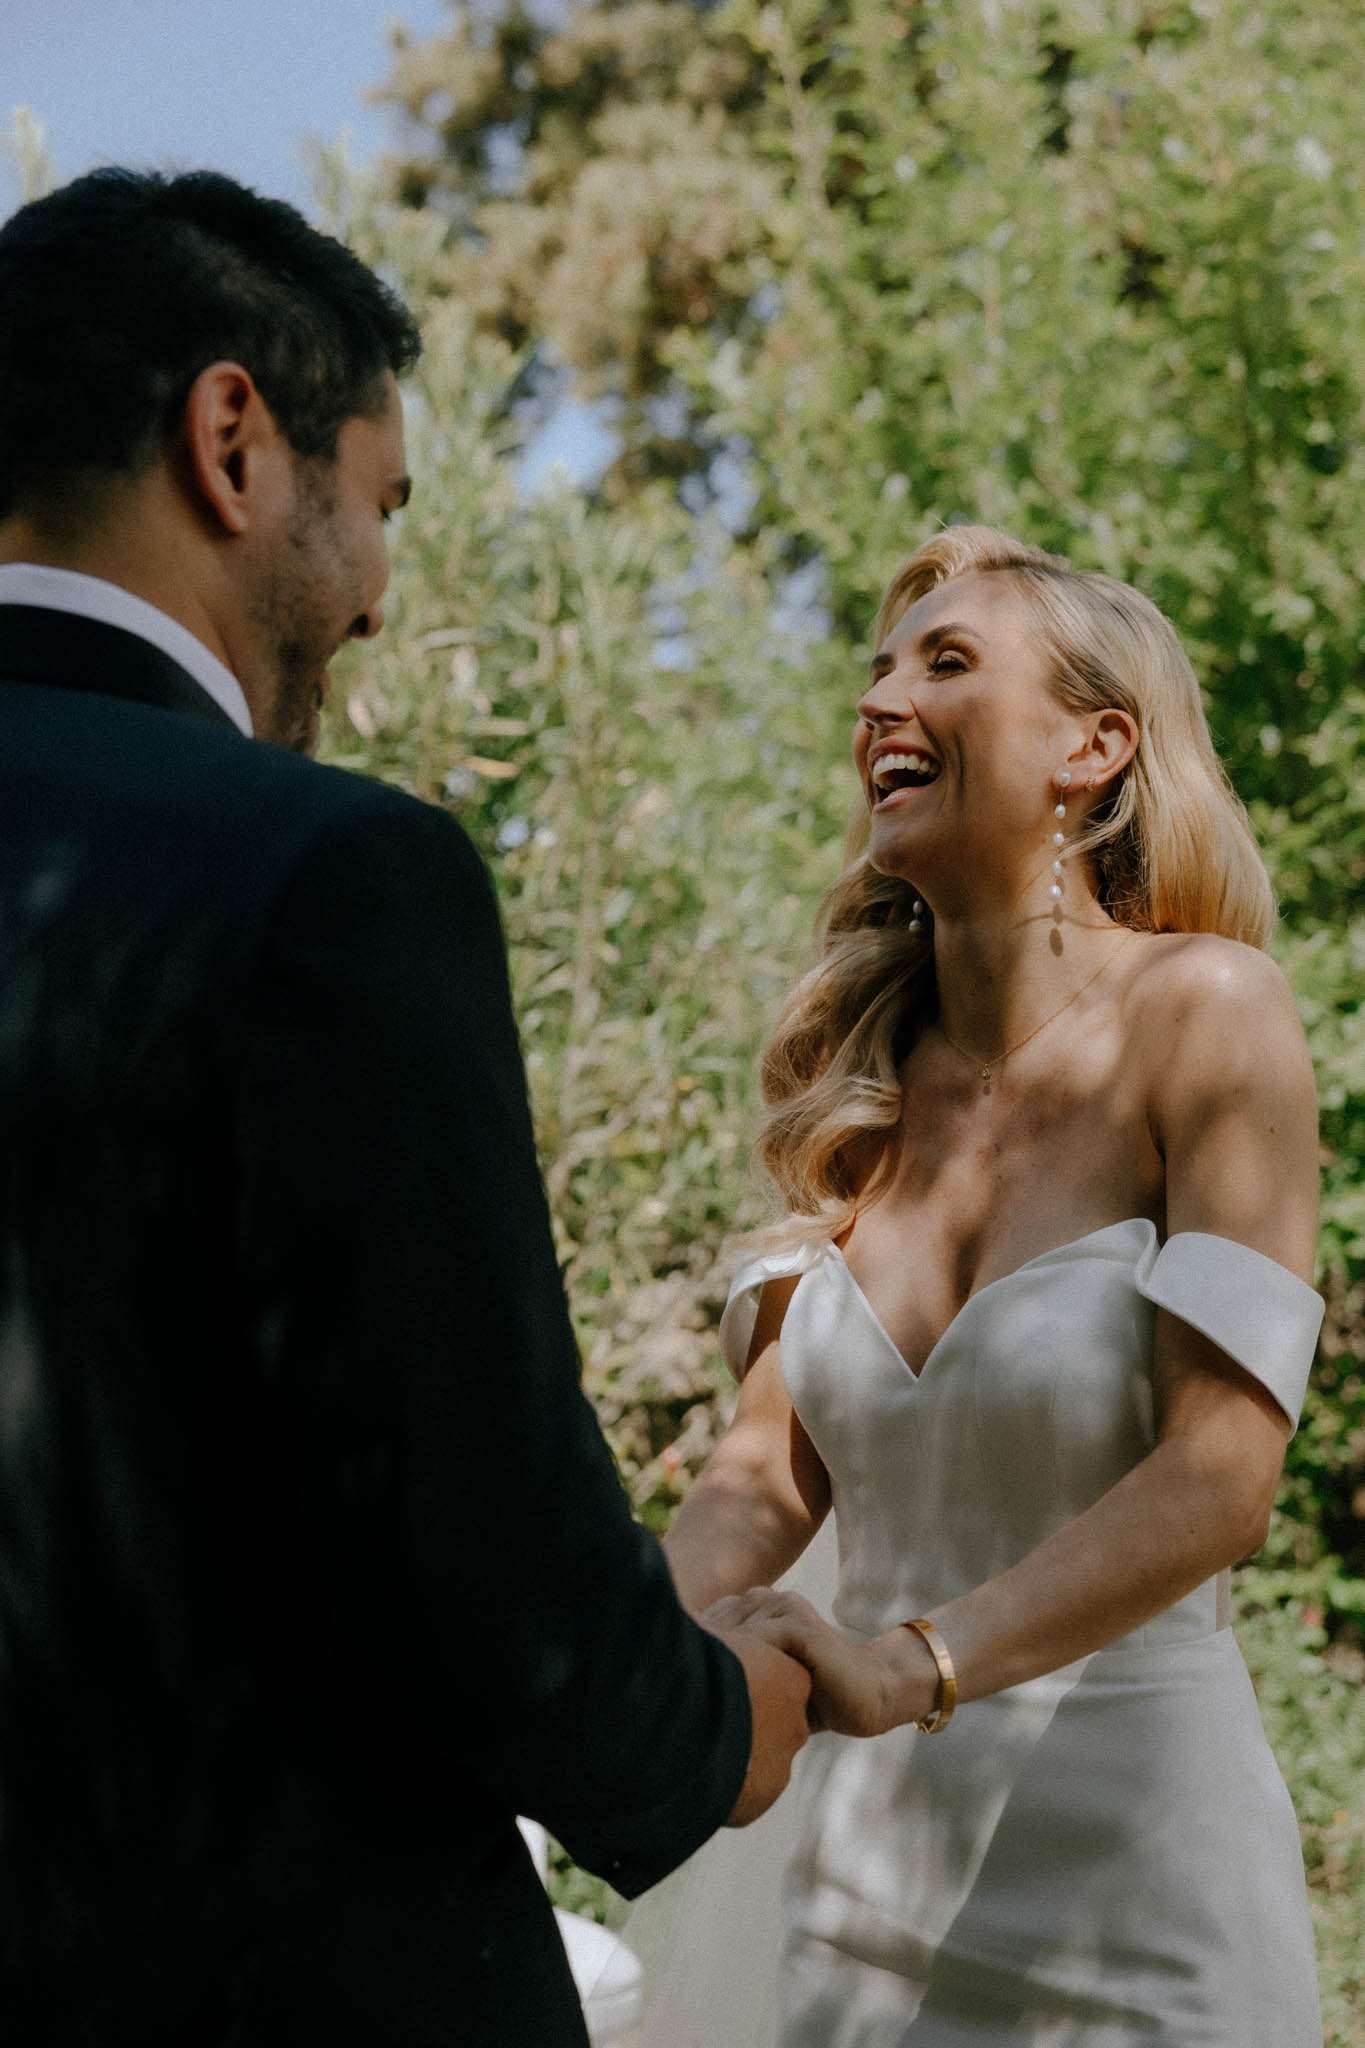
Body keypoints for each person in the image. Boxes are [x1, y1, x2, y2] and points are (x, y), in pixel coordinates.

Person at [0, 168, 811, 2047]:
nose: (374, 598)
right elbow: (494, 1576)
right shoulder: (326, 876)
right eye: (377, 506)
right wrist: (720, 1725)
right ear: (235, 441)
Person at [643, 525, 1325, 2046]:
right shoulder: (856, 1092)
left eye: (945, 663)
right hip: (859, 1890)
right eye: (879, 667)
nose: (882, 699)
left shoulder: (1207, 1015)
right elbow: (758, 1484)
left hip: (1136, 1889)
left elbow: (1219, 1479)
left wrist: (912, 1663)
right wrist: (596, 1681)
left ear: (1095, 746)